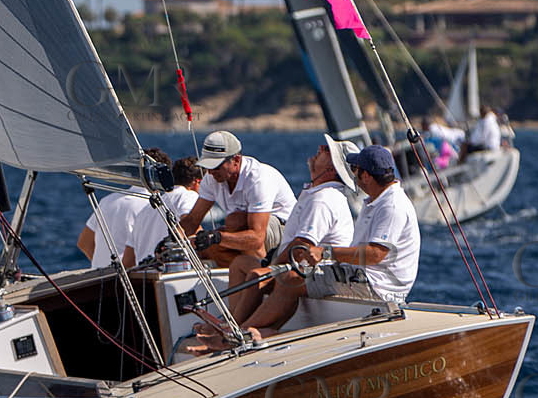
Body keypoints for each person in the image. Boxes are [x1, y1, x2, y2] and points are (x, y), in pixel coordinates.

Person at [222, 135, 357, 335]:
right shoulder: (316, 192)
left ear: (331, 170)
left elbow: (302, 245)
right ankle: (231, 324)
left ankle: (236, 331)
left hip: (315, 269)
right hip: (298, 264)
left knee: (256, 275)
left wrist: (270, 267)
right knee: (240, 264)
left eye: (327, 151)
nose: (320, 147)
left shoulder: (324, 199)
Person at [303, 145, 420, 305]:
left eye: (355, 168)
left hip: (378, 288)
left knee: (292, 281)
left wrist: (325, 253)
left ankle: (262, 329)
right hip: (368, 278)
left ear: (365, 176)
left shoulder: (392, 206)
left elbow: (374, 254)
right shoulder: (377, 199)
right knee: (295, 276)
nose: (353, 174)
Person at [178, 130, 295, 271]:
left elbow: (257, 237)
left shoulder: (257, 179)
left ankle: (263, 274)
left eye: (216, 166)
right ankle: (247, 271)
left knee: (235, 221)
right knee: (206, 248)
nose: (210, 172)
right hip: (257, 234)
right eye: (207, 166)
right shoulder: (212, 179)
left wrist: (217, 237)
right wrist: (172, 241)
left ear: (236, 160)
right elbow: (192, 220)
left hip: (288, 233)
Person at [77, 148, 170, 269]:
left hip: (99, 277)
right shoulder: (151, 207)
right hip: (125, 279)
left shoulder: (107, 201)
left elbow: (84, 243)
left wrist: (104, 267)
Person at [121, 157, 204, 269]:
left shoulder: (145, 210)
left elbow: (127, 261)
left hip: (146, 278)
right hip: (174, 276)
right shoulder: (189, 195)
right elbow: (191, 227)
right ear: (197, 182)